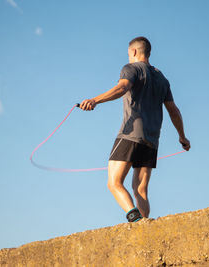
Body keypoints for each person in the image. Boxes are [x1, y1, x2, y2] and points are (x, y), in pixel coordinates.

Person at [79, 36, 190, 222]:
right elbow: (174, 110)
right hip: (152, 140)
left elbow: (122, 88)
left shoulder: (131, 68)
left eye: (129, 53)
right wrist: (182, 137)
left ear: (134, 52)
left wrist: (94, 100)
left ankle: (135, 218)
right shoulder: (163, 79)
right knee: (140, 190)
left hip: (130, 134)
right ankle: (146, 226)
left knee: (114, 183)